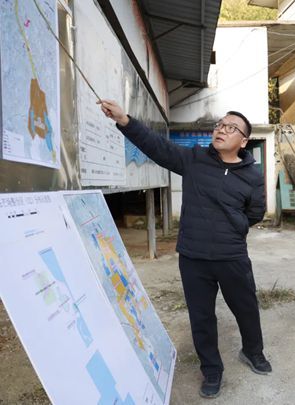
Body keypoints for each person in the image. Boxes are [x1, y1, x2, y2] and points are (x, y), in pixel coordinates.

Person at [98, 100, 271, 399]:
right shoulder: (194, 159)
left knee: (246, 307)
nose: (221, 130)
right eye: (220, 125)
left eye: (231, 128)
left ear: (243, 141)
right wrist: (125, 119)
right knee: (201, 317)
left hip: (231, 256)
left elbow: (255, 212)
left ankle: (253, 352)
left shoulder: (252, 175)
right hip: (194, 256)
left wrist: (234, 226)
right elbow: (156, 147)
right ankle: (212, 369)